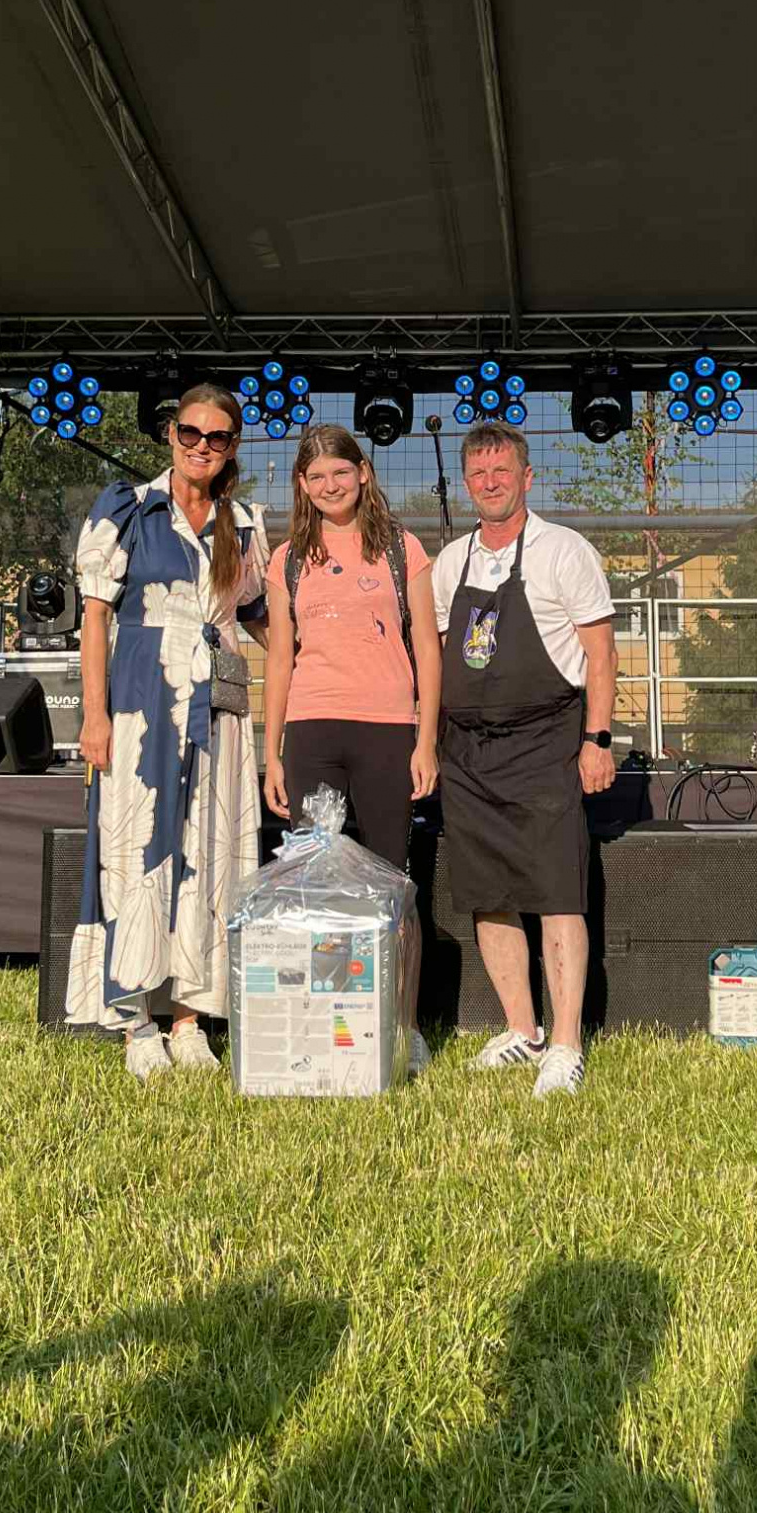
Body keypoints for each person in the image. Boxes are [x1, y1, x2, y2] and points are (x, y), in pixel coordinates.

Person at [66, 384, 270, 1081]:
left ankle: (190, 1018)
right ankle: (136, 1019)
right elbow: (95, 618)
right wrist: (94, 716)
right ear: (170, 434)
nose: (201, 447)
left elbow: (259, 618)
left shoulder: (244, 524)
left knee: (209, 853)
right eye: (190, 433)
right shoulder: (126, 507)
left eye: (217, 438)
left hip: (219, 709)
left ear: (232, 448)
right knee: (137, 845)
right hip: (142, 701)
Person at [432, 420, 617, 1098]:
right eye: (478, 474)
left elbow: (602, 655)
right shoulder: (451, 562)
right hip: (466, 751)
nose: (490, 483)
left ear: (527, 477)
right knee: (489, 896)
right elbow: (439, 658)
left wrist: (597, 740)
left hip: (545, 743)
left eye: (501, 471)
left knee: (556, 893)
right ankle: (522, 1030)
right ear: (467, 482)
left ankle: (565, 1045)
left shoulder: (564, 550)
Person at [262, 423, 440, 871]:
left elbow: (428, 650)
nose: (330, 486)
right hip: (311, 731)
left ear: (363, 472)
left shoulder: (403, 548)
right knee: (313, 872)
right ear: (303, 484)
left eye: (340, 472)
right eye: (317, 477)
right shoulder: (287, 558)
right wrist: (272, 755)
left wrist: (426, 743)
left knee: (387, 869)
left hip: (388, 729)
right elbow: (280, 661)